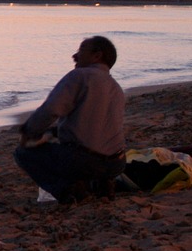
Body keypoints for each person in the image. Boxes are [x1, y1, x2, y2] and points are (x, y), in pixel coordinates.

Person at [14, 35, 126, 205]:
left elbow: (51, 110)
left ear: (97, 55)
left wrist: (29, 132)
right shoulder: (116, 88)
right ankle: (101, 184)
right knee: (72, 151)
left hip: (85, 161)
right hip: (116, 164)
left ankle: (69, 191)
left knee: (24, 154)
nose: (75, 56)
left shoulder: (80, 76)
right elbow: (91, 126)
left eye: (81, 51)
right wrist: (52, 133)